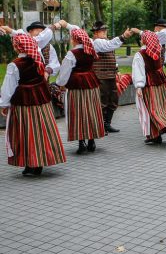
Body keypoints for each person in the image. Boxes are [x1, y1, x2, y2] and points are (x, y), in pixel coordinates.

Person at [0, 34, 66, 176]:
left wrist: (4, 104)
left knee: (27, 131)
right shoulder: (38, 58)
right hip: (41, 100)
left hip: (24, 102)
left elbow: (8, 87)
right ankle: (40, 160)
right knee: (42, 130)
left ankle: (31, 163)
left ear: (18, 46)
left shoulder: (15, 65)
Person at [56, 25, 105, 154]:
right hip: (91, 83)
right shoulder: (90, 49)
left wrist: (60, 83)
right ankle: (91, 140)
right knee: (91, 110)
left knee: (78, 111)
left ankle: (81, 142)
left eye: (72, 38)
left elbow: (65, 72)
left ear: (75, 39)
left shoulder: (72, 54)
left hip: (77, 84)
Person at [132, 30, 166, 144]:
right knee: (160, 106)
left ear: (144, 40)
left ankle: (156, 133)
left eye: (142, 38)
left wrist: (139, 86)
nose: (140, 40)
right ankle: (157, 132)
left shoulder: (140, 54)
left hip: (149, 84)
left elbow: (138, 71)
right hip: (160, 83)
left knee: (150, 108)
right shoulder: (158, 50)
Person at [83, 21, 132, 134]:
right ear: (95, 33)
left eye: (105, 30)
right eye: (102, 30)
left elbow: (110, 55)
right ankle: (100, 126)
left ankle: (107, 124)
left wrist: (116, 70)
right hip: (100, 76)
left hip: (110, 75)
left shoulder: (106, 42)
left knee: (113, 101)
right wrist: (123, 36)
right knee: (102, 102)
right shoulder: (97, 42)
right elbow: (108, 46)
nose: (105, 32)